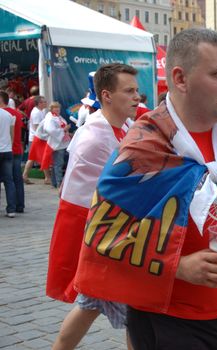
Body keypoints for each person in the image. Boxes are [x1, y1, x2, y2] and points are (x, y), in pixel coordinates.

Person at [74, 28, 217, 349]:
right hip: (165, 319)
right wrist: (177, 267)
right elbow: (103, 234)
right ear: (179, 78)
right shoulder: (144, 145)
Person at [47, 63, 139, 350]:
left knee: (92, 308)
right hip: (106, 240)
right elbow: (88, 201)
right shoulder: (95, 137)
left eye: (137, 90)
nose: (137, 97)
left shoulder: (123, 126)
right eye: (129, 91)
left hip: (111, 237)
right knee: (133, 315)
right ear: (106, 95)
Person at [0, 91, 24, 213]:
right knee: (15, 180)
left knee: (8, 180)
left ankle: (12, 207)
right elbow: (15, 133)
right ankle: (17, 206)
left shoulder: (7, 114)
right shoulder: (15, 114)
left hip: (7, 148)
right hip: (13, 149)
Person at [23, 96, 51, 185]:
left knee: (34, 158)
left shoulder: (40, 111)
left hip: (37, 138)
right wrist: (46, 135)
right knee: (40, 157)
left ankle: (25, 175)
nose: (46, 103)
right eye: (44, 102)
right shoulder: (36, 113)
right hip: (37, 138)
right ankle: (47, 177)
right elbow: (37, 128)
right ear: (39, 103)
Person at [43, 102, 71, 188]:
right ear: (51, 109)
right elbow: (50, 130)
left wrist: (65, 131)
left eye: (58, 107)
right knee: (58, 164)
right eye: (55, 108)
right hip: (57, 144)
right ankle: (59, 184)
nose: (57, 109)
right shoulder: (51, 118)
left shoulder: (57, 116)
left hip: (61, 143)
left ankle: (55, 183)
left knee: (57, 164)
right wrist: (63, 130)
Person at [0, 98, 16, 217]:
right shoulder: (8, 115)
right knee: (9, 181)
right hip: (7, 150)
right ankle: (11, 209)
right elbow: (12, 134)